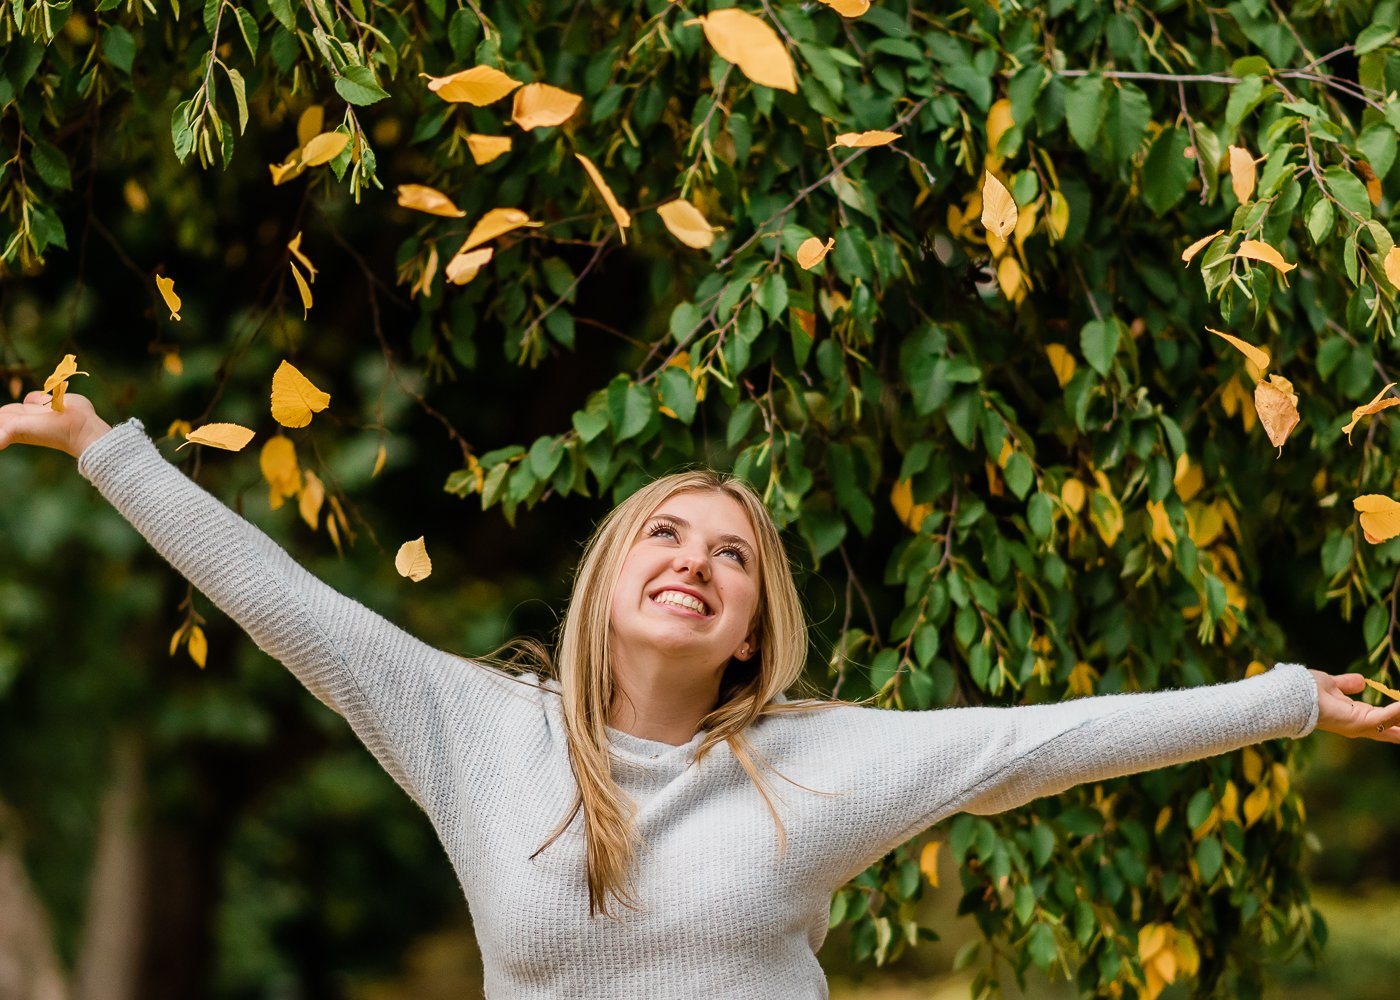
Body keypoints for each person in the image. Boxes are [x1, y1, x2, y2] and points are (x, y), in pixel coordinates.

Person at [3, 390, 1398, 999]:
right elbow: (282, 602)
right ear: (611, 575)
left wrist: (1284, 700)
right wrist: (96, 448)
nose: (694, 562)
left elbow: (1046, 740)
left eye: (730, 554)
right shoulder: (477, 733)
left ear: (748, 632)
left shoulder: (821, 764)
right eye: (665, 534)